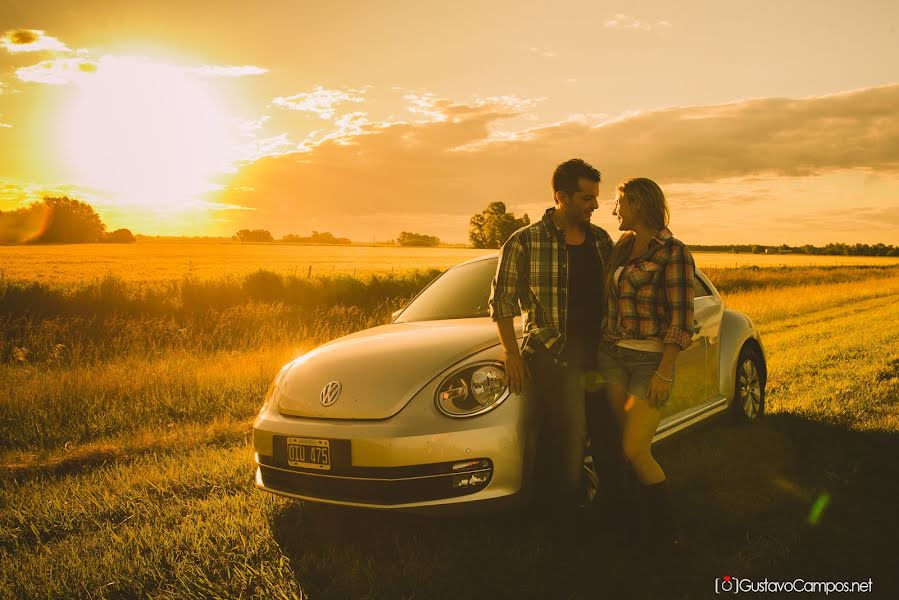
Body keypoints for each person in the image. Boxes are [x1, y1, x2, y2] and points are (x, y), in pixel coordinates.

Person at [488, 158, 614, 511]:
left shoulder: (601, 240)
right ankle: (566, 516)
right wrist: (512, 353)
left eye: (596, 197)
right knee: (571, 435)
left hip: (600, 349)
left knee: (607, 429)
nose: (595, 205)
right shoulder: (524, 241)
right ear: (562, 196)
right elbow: (501, 302)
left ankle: (610, 503)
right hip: (554, 350)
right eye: (587, 198)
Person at [596, 177, 695, 552]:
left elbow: (681, 319)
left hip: (647, 361)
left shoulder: (673, 251)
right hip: (611, 357)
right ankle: (630, 528)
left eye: (619, 202)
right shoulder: (621, 246)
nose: (614, 210)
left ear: (637, 203)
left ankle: (667, 533)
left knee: (637, 449)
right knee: (624, 449)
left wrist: (663, 372)